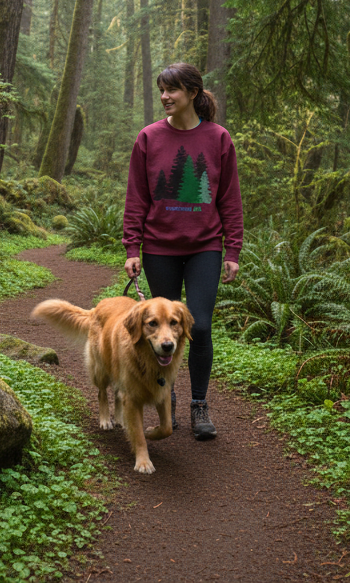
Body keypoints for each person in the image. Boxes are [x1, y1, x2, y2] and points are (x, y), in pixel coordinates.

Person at [122, 62, 243, 440]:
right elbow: (137, 196)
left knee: (199, 325)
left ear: (192, 93)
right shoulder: (148, 138)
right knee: (162, 330)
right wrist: (132, 246)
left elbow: (230, 200)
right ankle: (167, 396)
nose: (164, 97)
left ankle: (199, 404)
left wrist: (233, 250)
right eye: (161, 89)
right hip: (159, 248)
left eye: (172, 90)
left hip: (206, 246)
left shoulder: (219, 138)